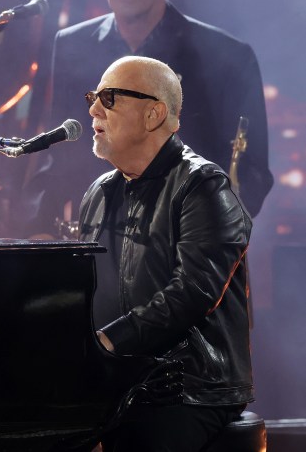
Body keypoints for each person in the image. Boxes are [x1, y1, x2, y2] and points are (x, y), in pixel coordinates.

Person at [77, 55, 253, 451]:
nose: (91, 109)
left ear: (154, 113)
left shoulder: (203, 187)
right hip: (118, 378)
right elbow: (85, 289)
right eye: (92, 96)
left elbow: (191, 293)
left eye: (108, 98)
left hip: (187, 387)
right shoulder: (99, 193)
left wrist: (107, 342)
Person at [23, 0, 272, 237]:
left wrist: (202, 236)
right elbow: (58, 155)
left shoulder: (227, 56)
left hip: (183, 249)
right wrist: (39, 227)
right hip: (94, 247)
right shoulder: (71, 44)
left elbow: (251, 174)